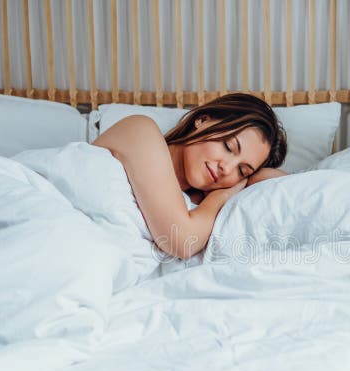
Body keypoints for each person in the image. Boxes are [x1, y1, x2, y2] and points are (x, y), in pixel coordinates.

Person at [93, 93, 288, 259]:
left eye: (241, 171)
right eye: (228, 146)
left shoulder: (194, 208)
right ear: (202, 121)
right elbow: (182, 241)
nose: (227, 169)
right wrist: (219, 197)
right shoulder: (140, 131)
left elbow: (281, 183)